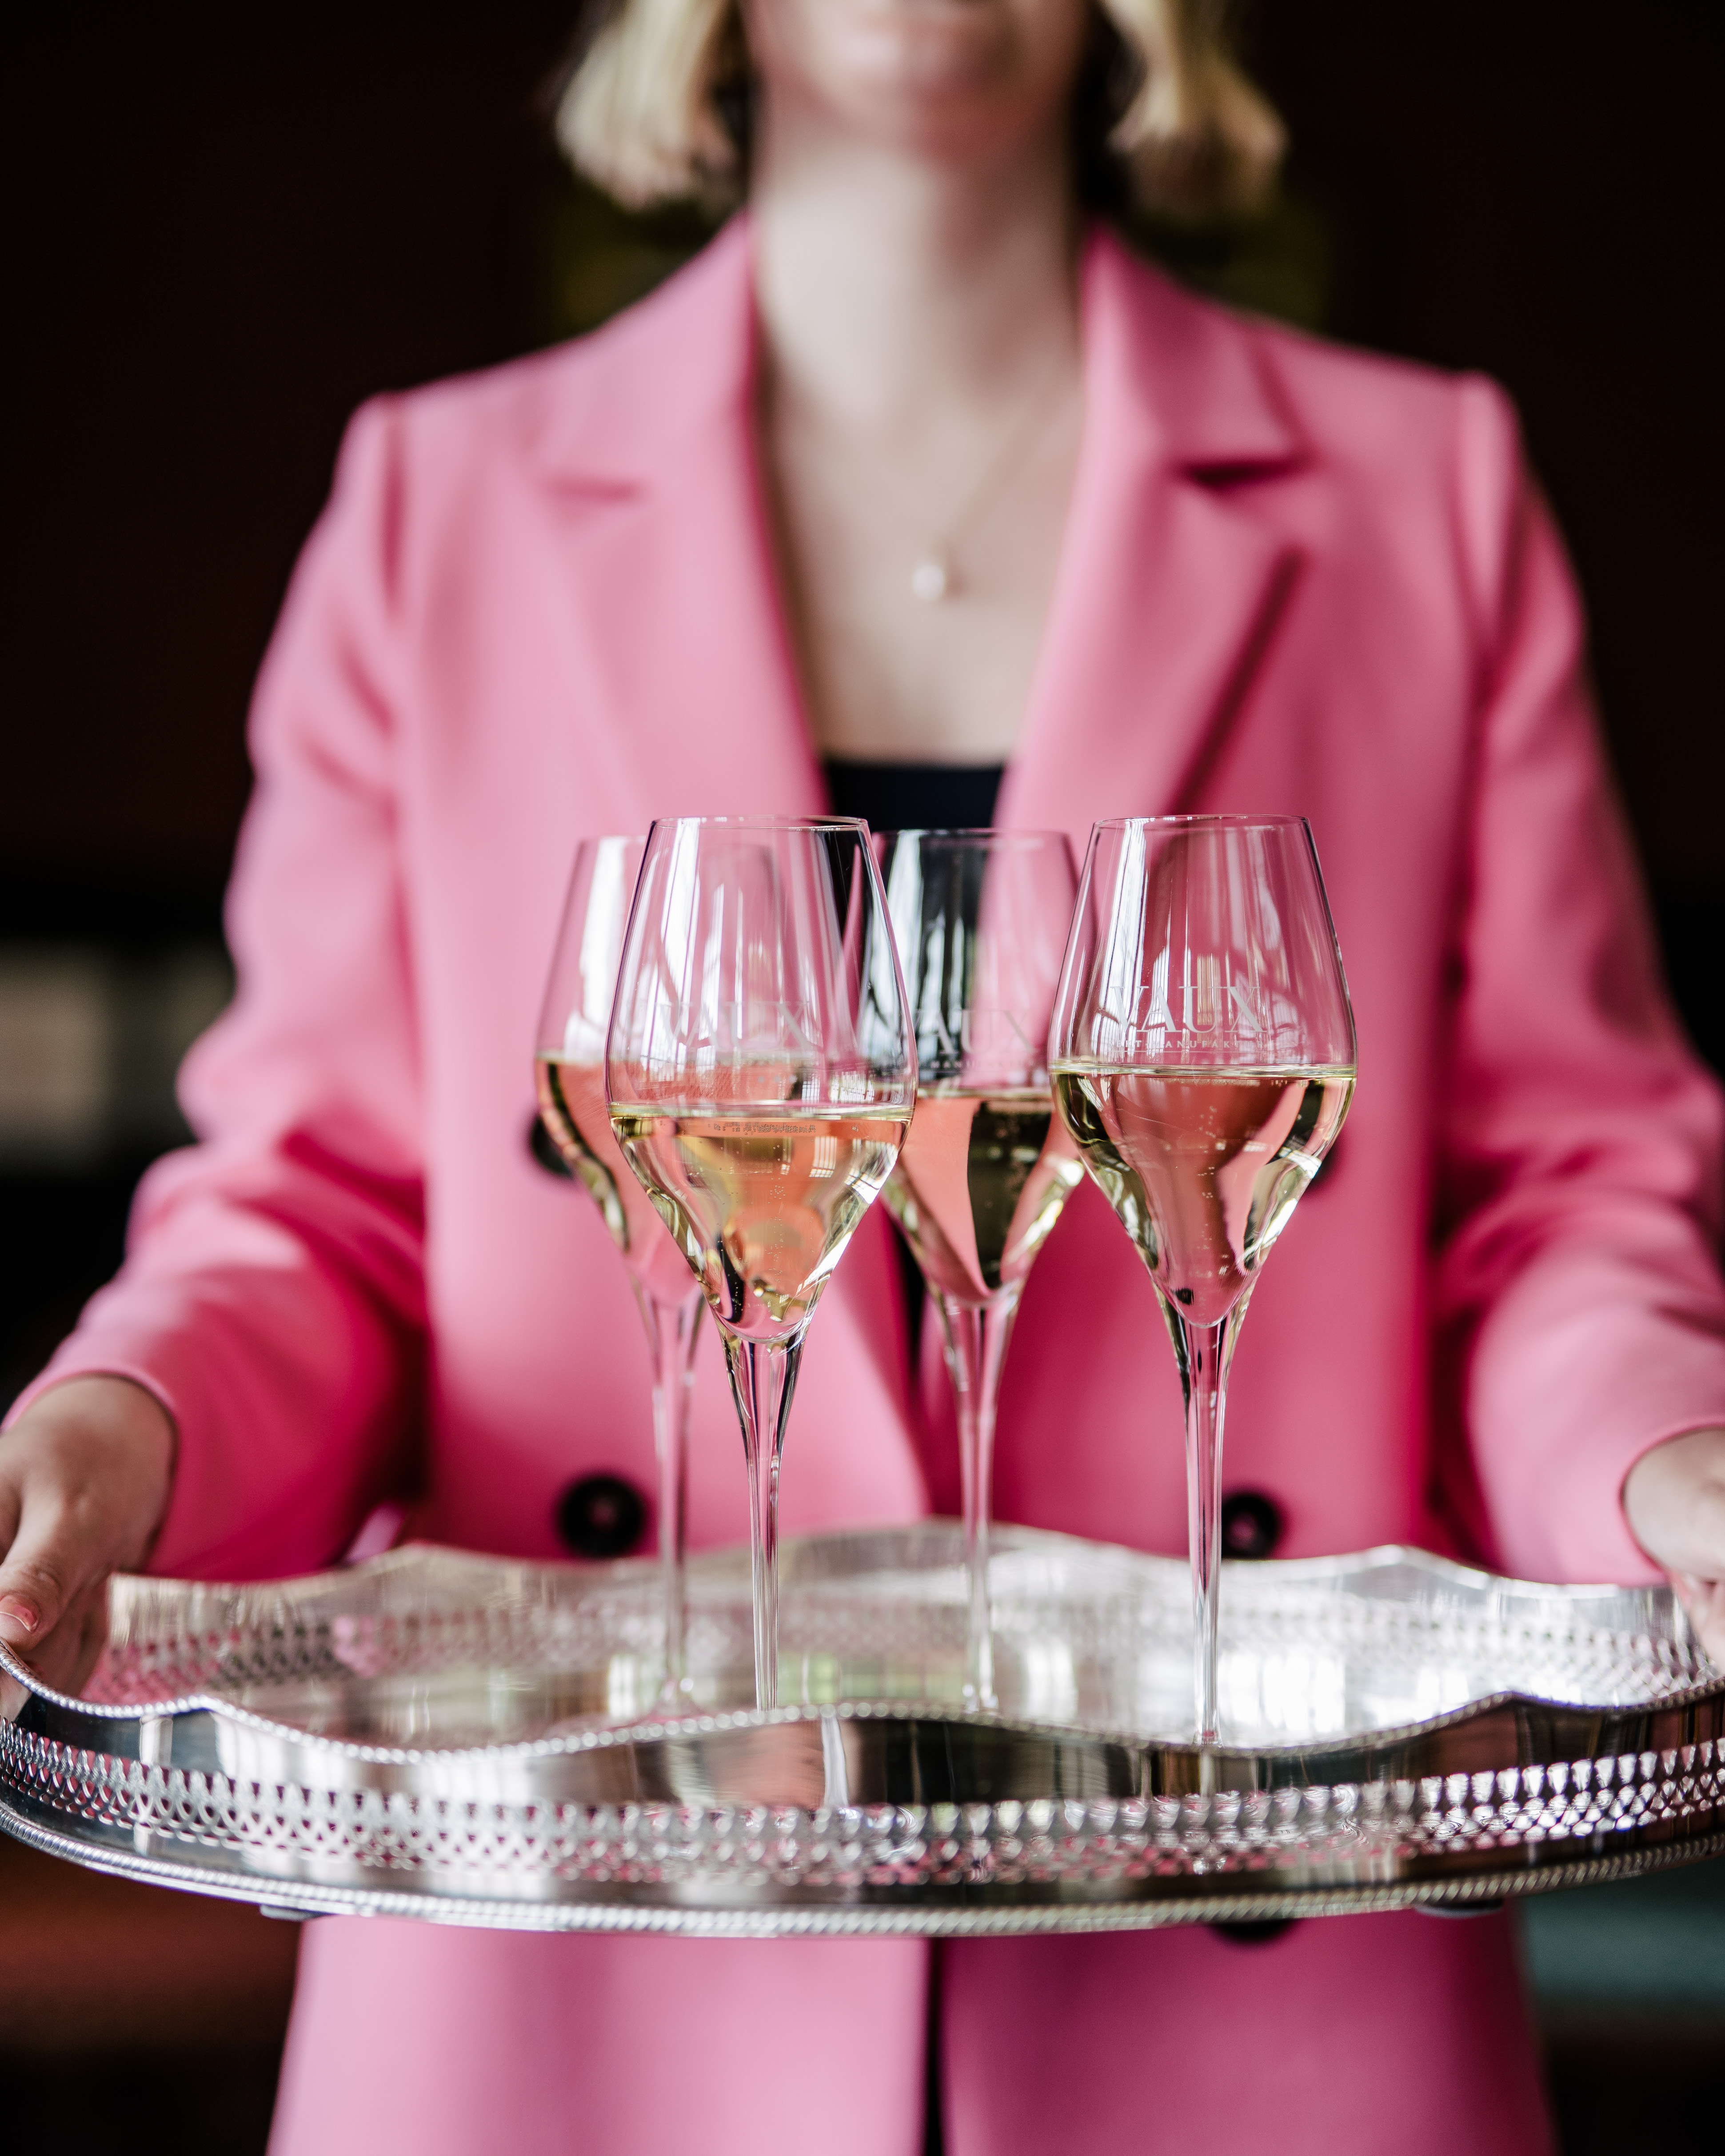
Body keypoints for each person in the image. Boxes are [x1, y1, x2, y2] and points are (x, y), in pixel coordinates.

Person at [4, 2, 1724, 2149]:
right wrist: (119, 1426)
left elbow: (1557, 1193)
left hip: (1246, 1965)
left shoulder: (1422, 495)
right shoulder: (439, 505)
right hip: (583, 1951)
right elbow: (318, 1208)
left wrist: (1671, 1461)